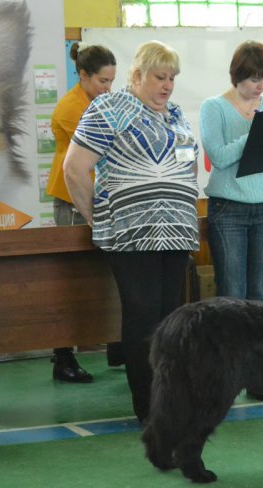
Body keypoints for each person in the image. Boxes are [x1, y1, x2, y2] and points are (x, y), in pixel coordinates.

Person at [63, 41, 199, 423]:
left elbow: (188, 167)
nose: (168, 85)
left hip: (175, 232)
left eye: (172, 78)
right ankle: (148, 406)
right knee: (142, 315)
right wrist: (99, 218)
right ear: (137, 76)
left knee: (169, 316)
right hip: (131, 234)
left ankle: (170, 397)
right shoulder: (109, 109)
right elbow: (74, 169)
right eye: (160, 77)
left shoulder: (175, 115)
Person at [199, 41, 263, 402]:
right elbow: (219, 157)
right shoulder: (214, 107)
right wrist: (255, 132)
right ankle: (226, 374)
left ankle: (259, 375)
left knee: (260, 297)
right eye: (254, 78)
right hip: (229, 208)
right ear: (238, 75)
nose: (260, 86)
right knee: (231, 297)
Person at [45, 43, 118, 383]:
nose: (108, 88)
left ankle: (118, 344)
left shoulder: (97, 102)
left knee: (103, 279)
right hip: (73, 199)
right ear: (83, 75)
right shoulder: (70, 109)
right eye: (103, 81)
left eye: (112, 82)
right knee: (73, 281)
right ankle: (63, 357)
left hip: (102, 197)